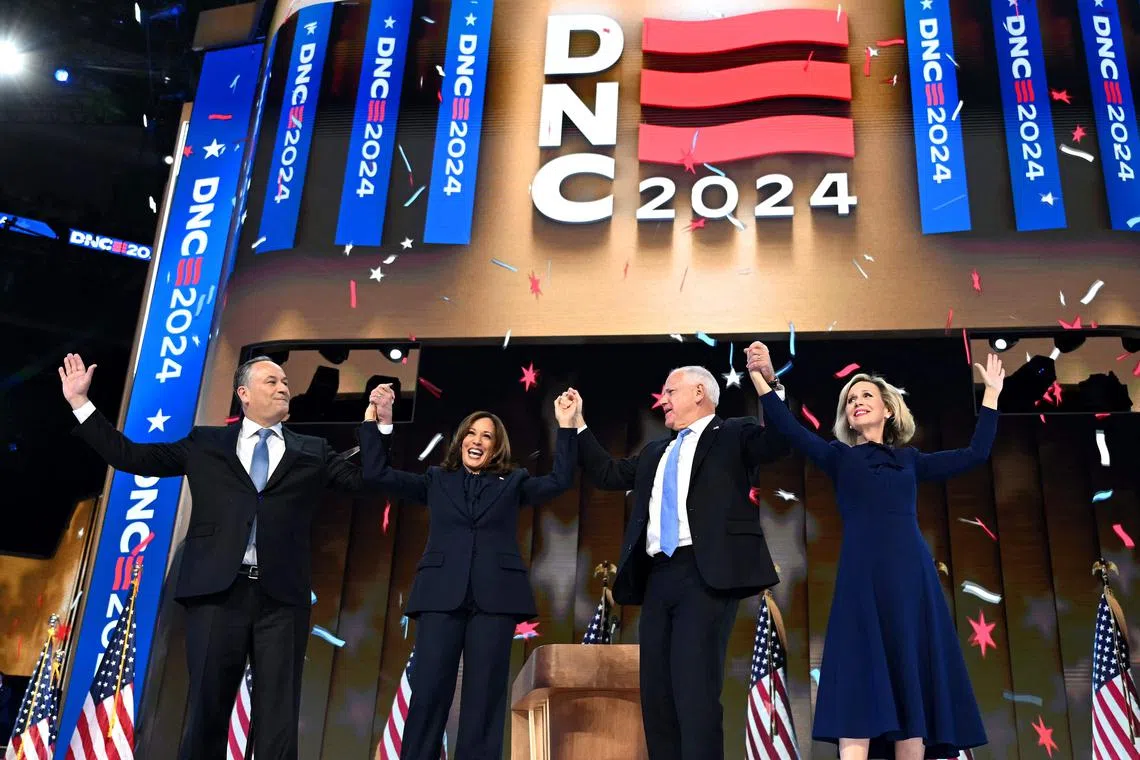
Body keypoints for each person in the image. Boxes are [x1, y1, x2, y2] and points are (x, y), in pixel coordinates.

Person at [59, 353, 377, 760]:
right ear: (243, 393)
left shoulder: (312, 450)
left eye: (285, 382)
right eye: (272, 380)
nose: (283, 387)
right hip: (216, 593)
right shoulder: (206, 443)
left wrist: (375, 426)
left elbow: (365, 480)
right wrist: (80, 404)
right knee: (207, 711)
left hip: (281, 599)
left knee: (279, 717)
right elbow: (132, 457)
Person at [745, 342, 1004, 760]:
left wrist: (990, 396)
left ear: (888, 409)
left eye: (866, 395)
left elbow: (975, 454)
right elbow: (789, 428)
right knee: (859, 677)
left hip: (911, 579)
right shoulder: (838, 457)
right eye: (850, 399)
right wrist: (765, 379)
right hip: (861, 581)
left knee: (910, 676)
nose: (857, 402)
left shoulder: (911, 460)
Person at [562, 356, 790, 760]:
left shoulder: (733, 433)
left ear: (699, 393)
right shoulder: (655, 452)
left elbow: (778, 441)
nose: (662, 400)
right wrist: (578, 423)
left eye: (670, 392)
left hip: (706, 575)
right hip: (657, 578)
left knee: (695, 693)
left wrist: (766, 383)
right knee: (657, 697)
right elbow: (608, 474)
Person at [359, 383, 578, 760]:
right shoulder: (435, 480)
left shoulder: (514, 482)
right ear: (461, 441)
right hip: (441, 594)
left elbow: (559, 481)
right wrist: (379, 423)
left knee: (485, 697)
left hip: (495, 599)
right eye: (472, 434)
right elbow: (378, 474)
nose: (477, 441)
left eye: (487, 436)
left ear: (496, 446)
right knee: (428, 691)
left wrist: (567, 426)